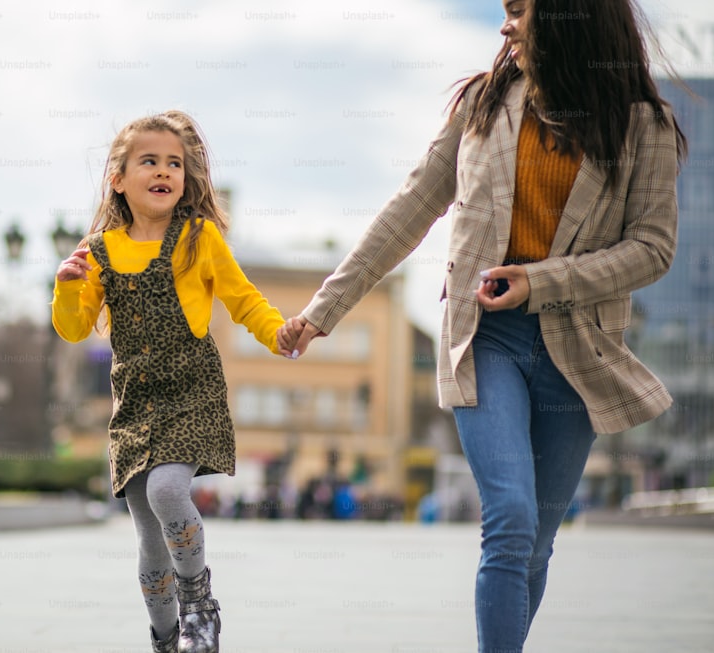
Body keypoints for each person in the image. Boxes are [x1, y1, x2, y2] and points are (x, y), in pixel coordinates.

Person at [277, 1, 687, 651]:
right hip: (484, 338)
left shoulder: (643, 125)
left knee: (538, 540)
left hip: (578, 351)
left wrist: (541, 280)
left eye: (520, 9)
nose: (506, 25)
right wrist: (323, 310)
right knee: (512, 518)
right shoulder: (484, 104)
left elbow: (653, 248)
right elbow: (409, 208)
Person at [51, 110, 286, 653]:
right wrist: (66, 287)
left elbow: (242, 297)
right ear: (119, 178)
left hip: (191, 391)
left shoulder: (198, 237)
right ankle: (165, 639)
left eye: (174, 163)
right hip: (134, 403)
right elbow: (73, 329)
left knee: (167, 489)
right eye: (149, 161)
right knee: (150, 546)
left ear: (185, 178)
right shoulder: (100, 251)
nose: (164, 171)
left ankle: (200, 608)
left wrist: (279, 334)